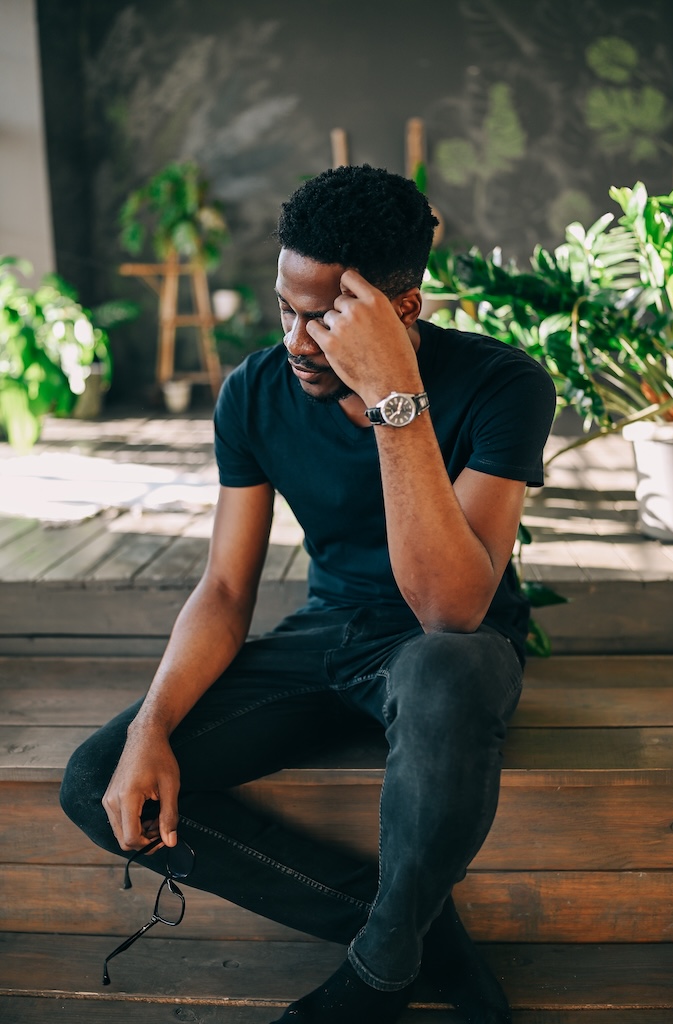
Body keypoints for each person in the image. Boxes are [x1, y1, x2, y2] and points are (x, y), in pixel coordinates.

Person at [61, 164, 556, 1024]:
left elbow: (451, 609)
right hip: (326, 636)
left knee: (450, 667)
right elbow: (225, 588)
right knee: (98, 780)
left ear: (401, 309)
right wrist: (150, 727)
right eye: (284, 310)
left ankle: (376, 980)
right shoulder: (255, 392)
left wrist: (394, 397)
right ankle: (407, 943)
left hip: (444, 655)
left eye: (324, 319)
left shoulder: (502, 385)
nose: (294, 340)